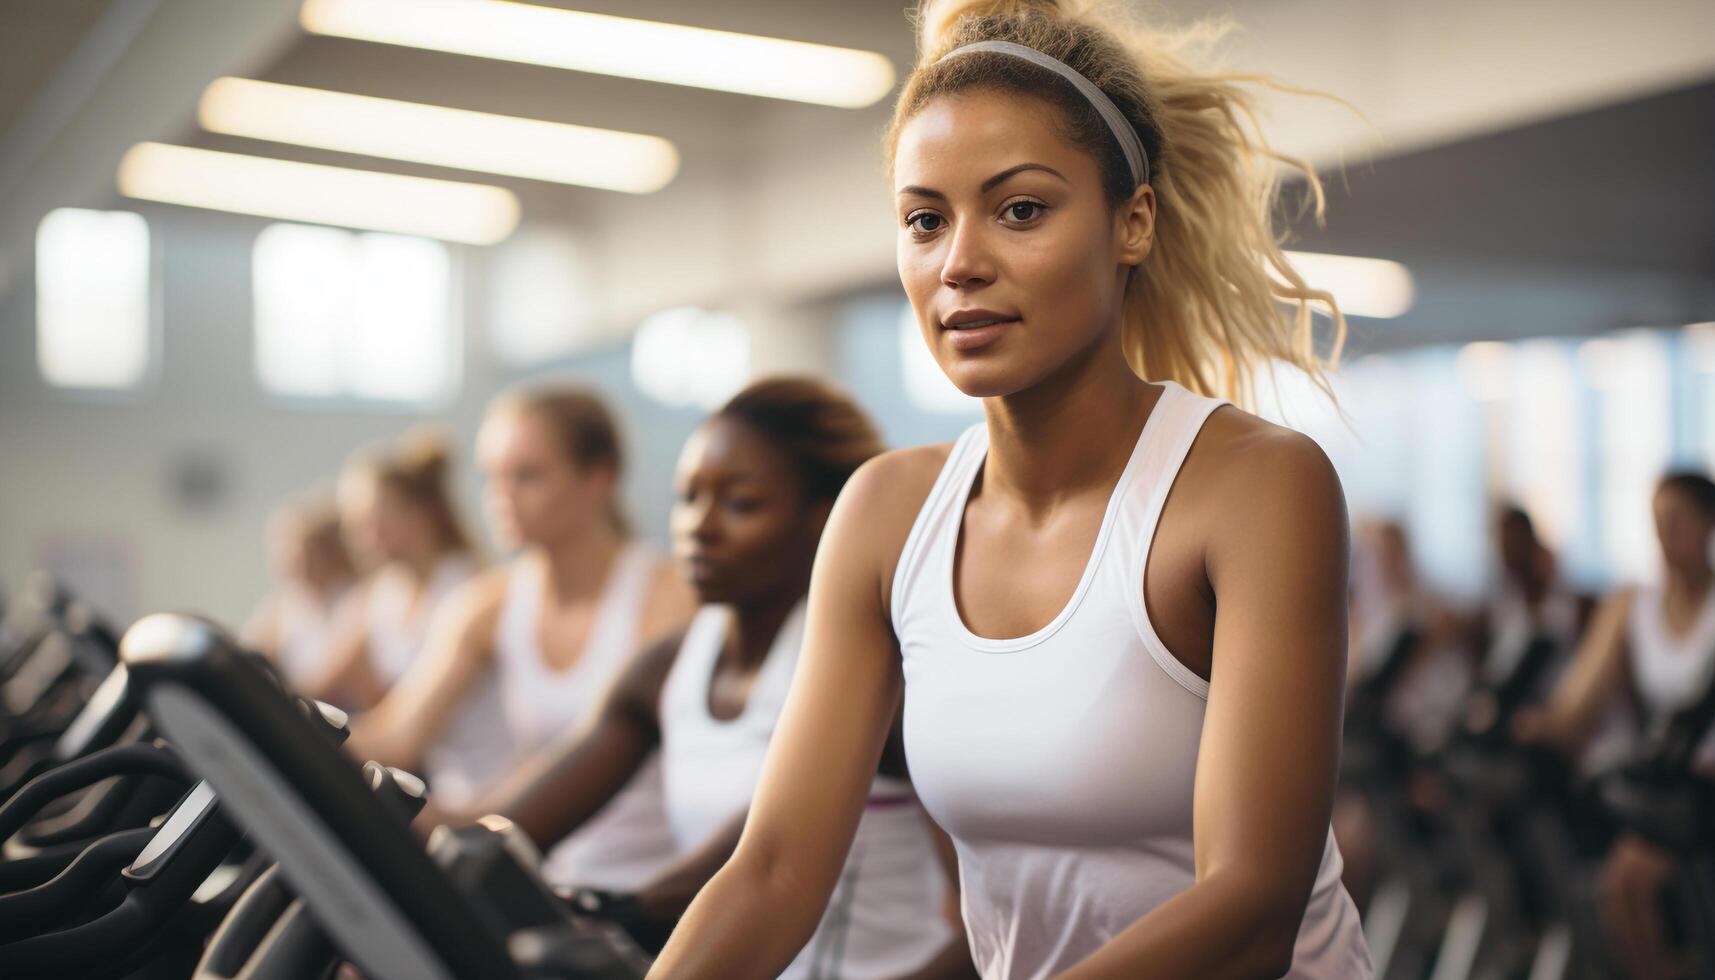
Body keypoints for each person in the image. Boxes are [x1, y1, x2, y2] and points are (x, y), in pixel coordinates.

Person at [651, 1, 1373, 976]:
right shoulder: (883, 514)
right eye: (923, 220)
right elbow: (774, 870)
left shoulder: (1254, 488)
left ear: (1132, 220)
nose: (959, 263)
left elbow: (1249, 905)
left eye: (1019, 208)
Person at [455, 378, 973, 978]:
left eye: (740, 503)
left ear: (826, 519)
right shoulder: (665, 670)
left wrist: (628, 910)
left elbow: (975, 929)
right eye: (688, 497)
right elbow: (513, 833)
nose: (699, 526)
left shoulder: (885, 687)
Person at [346, 387, 696, 879]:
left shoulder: (667, 595)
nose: (500, 497)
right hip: (544, 868)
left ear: (599, 478)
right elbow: (396, 734)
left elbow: (588, 752)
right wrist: (276, 720)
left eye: (526, 475)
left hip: (649, 884)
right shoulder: (486, 603)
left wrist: (464, 819)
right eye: (492, 476)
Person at [1522, 471, 1715, 980]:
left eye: (1678, 522)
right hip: (1672, 784)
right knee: (1620, 884)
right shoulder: (1633, 603)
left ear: (1709, 526)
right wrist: (1538, 724)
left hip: (1704, 783)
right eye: (1657, 522)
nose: (1665, 536)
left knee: (1633, 875)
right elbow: (1577, 703)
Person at [303, 433, 480, 711]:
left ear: (420, 513)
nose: (363, 539)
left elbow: (411, 722)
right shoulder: (382, 593)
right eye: (355, 526)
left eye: (374, 520)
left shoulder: (466, 588)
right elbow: (316, 682)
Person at [242, 495, 358, 691]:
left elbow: (327, 681)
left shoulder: (353, 599)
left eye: (299, 548)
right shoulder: (283, 605)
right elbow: (246, 653)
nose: (289, 557)